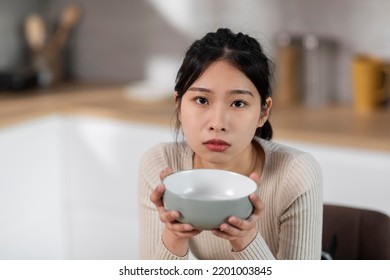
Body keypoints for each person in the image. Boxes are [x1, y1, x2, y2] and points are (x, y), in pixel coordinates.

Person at [138, 28, 323, 260]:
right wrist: (174, 236)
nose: (218, 123)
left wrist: (245, 239)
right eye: (202, 100)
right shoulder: (161, 165)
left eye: (238, 103)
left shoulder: (296, 173)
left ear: (263, 112)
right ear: (178, 105)